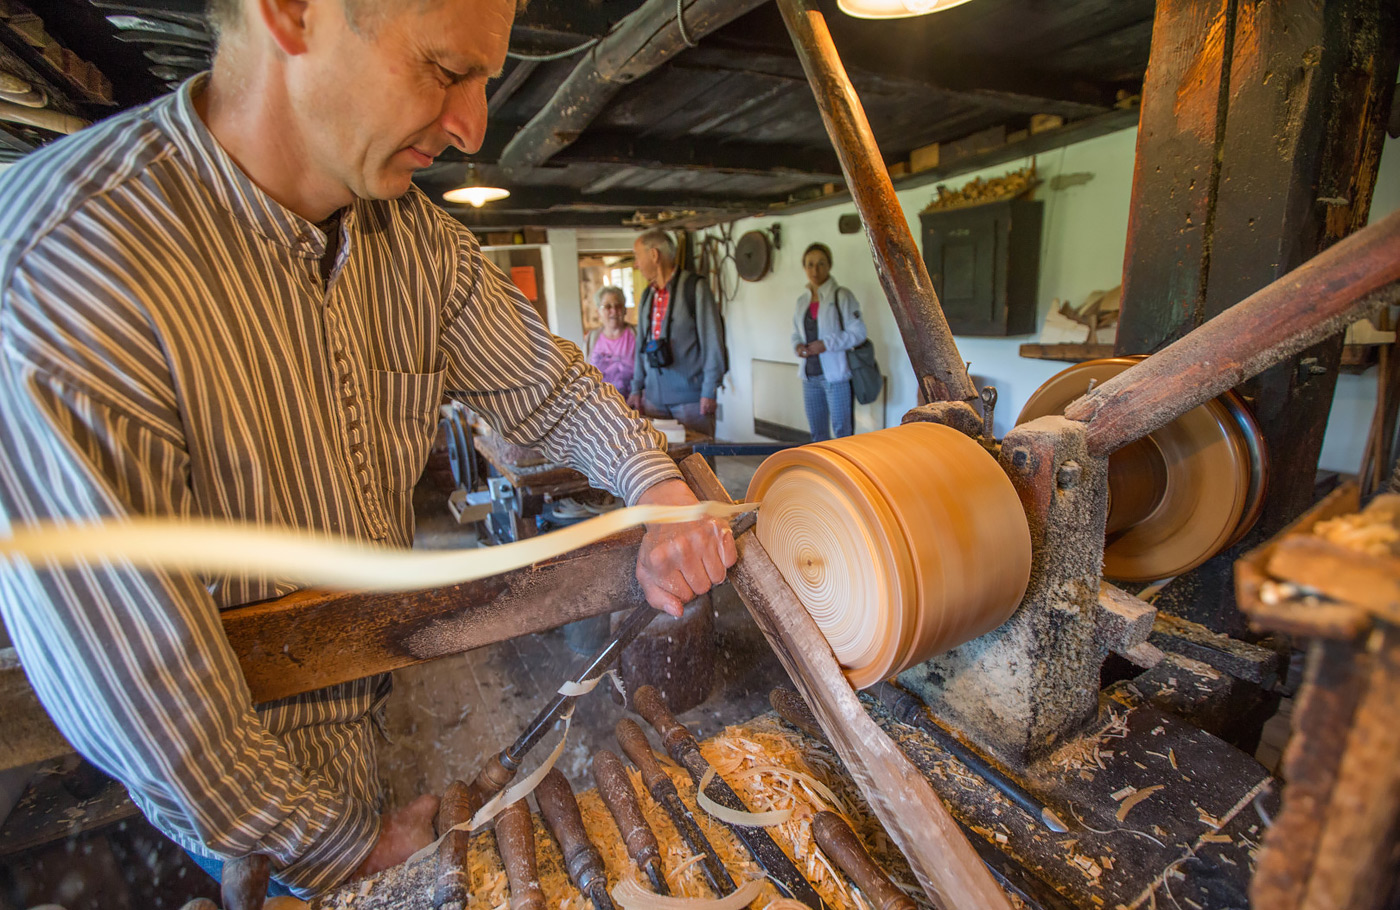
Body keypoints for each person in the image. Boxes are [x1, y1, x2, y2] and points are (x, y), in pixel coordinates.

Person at [0, 0, 736, 900]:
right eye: (443, 69)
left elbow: (546, 389)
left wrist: (655, 488)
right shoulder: (70, 259)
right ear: (292, 13)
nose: (472, 129)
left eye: (487, 82)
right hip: (235, 827)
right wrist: (332, 845)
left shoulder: (413, 240)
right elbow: (131, 671)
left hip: (361, 745)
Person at [626, 229, 725, 437]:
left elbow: (713, 344)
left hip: (691, 401)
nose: (636, 264)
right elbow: (641, 350)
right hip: (653, 400)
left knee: (698, 463)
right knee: (662, 465)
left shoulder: (695, 288)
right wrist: (636, 388)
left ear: (654, 255)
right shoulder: (647, 296)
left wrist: (709, 391)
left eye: (637, 256)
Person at [792, 243, 867, 441]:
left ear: (829, 265)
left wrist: (827, 344)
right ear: (804, 267)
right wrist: (797, 346)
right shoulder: (802, 301)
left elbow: (859, 332)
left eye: (820, 264)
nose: (815, 270)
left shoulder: (842, 296)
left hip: (836, 377)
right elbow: (795, 333)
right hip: (810, 377)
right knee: (818, 434)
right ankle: (822, 472)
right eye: (810, 265)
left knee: (843, 434)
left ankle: (845, 472)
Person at [584, 285, 636, 397]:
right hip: (600, 406)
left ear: (624, 310)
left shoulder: (636, 334)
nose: (614, 311)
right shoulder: (592, 338)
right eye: (607, 306)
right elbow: (585, 373)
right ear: (598, 312)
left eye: (618, 306)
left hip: (633, 405)